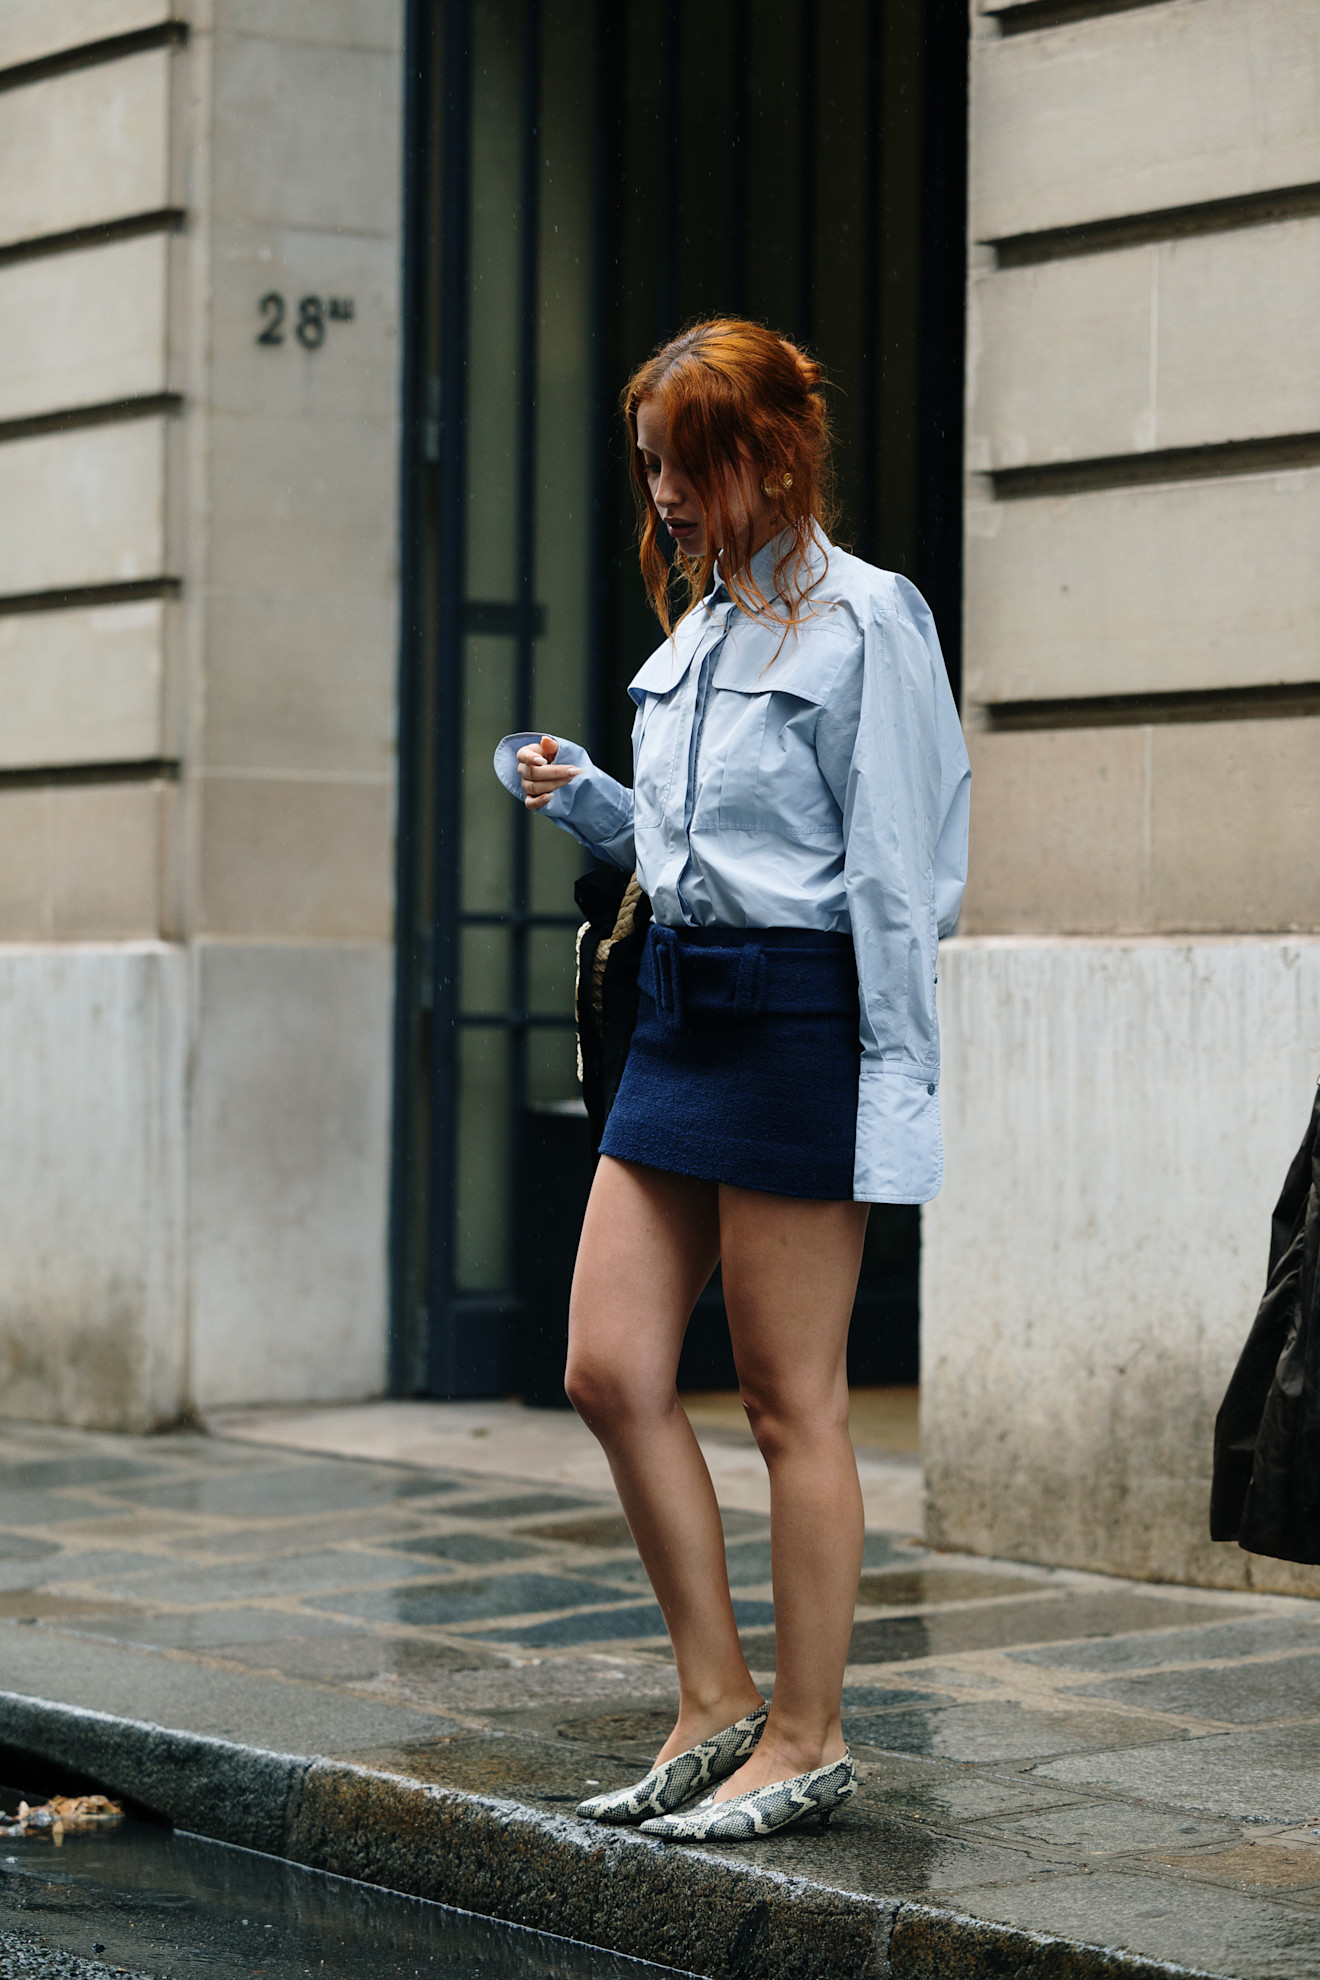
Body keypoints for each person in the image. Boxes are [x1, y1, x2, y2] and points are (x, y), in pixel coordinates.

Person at [493, 318, 970, 1842]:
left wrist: (893, 1107)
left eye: (684, 469)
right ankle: (714, 1702)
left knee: (788, 1403)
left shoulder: (868, 624)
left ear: (768, 455)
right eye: (650, 471)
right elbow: (704, 860)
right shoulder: (698, 633)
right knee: (610, 1365)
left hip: (798, 1031)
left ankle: (810, 1737)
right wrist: (596, 806)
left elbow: (898, 887)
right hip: (683, 1027)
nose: (666, 499)